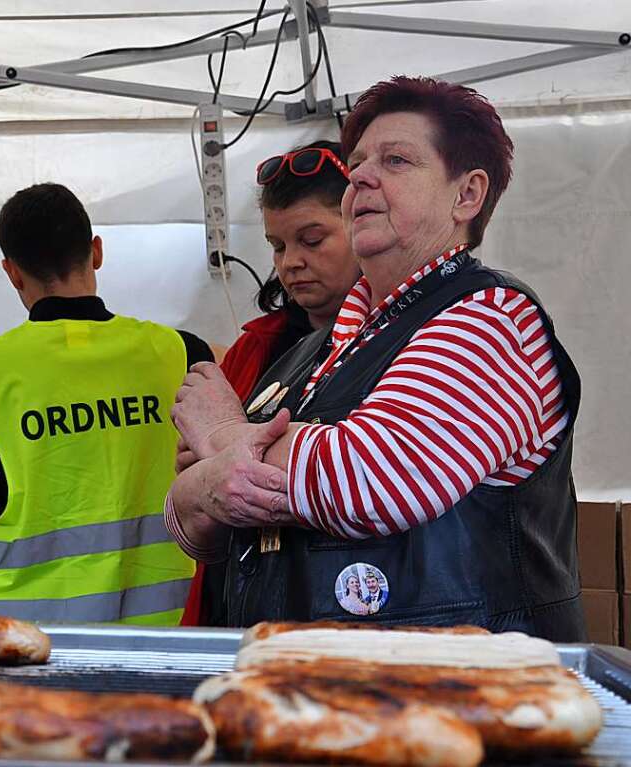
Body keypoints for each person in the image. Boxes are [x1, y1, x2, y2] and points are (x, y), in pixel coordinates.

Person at [166, 76, 584, 641]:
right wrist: (212, 484)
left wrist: (222, 435)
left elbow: (373, 477)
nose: (360, 175)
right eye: (358, 161)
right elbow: (195, 518)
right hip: (316, 693)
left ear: (467, 195)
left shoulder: (489, 319)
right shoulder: (311, 352)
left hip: (463, 700)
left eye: (396, 160)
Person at [0, 182, 213, 625]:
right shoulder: (182, 353)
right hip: (161, 633)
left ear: (12, 272)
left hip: (25, 638)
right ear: (96, 251)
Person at [181, 140, 360, 626]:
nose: (290, 262)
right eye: (278, 246)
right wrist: (195, 474)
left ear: (363, 225)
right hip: (240, 604)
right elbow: (198, 485)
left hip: (337, 613)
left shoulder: (402, 345)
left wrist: (221, 443)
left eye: (312, 239)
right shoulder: (252, 349)